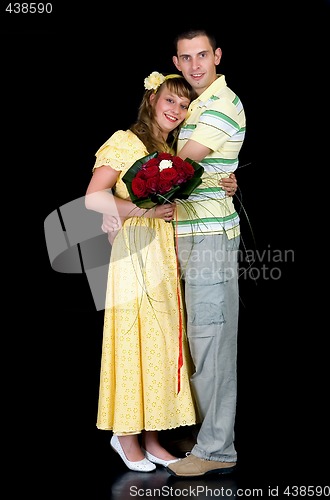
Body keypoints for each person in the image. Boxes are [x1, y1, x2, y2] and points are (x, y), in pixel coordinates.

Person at [85, 72, 200, 473]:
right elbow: (94, 197)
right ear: (152, 100)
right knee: (134, 338)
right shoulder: (125, 141)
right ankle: (126, 435)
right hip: (134, 251)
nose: (176, 110)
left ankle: (153, 436)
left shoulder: (168, 149)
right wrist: (141, 211)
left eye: (184, 105)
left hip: (162, 256)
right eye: (170, 100)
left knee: (162, 340)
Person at [159, 28, 246, 478]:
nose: (195, 65)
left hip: (210, 239)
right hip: (186, 233)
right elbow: (205, 169)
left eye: (202, 55)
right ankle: (208, 435)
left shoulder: (222, 104)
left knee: (211, 341)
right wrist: (224, 180)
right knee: (195, 341)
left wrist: (124, 204)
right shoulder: (192, 105)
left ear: (216, 56)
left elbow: (179, 169)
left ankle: (218, 450)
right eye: (185, 57)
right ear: (176, 63)